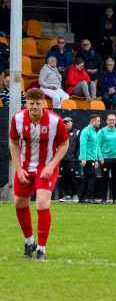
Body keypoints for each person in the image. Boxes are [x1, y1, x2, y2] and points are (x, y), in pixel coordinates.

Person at [9, 88, 69, 261]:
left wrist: (51, 165)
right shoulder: (18, 119)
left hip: (46, 167)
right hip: (25, 167)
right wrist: (18, 169)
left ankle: (41, 250)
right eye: (31, 103)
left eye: (38, 103)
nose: (34, 107)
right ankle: (29, 243)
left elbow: (64, 144)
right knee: (20, 203)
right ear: (26, 103)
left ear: (44, 103)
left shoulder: (55, 121)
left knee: (42, 203)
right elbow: (13, 143)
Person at [97, 112, 116, 204]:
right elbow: (97, 146)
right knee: (104, 179)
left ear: (115, 121)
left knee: (115, 179)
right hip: (105, 158)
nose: (112, 121)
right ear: (106, 121)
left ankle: (115, 199)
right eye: (110, 120)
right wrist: (100, 158)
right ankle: (104, 199)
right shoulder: (101, 132)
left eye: (113, 120)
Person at [78, 114, 101, 204]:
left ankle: (82, 198)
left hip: (91, 159)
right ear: (93, 121)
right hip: (86, 159)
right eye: (98, 121)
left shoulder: (94, 132)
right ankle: (90, 197)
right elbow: (83, 145)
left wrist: (95, 160)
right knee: (92, 176)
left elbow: (94, 147)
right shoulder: (86, 131)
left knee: (87, 178)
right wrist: (83, 158)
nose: (99, 123)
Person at [57, 117, 80, 203]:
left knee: (72, 177)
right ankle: (67, 195)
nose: (67, 124)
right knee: (64, 177)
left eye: (68, 122)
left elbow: (79, 145)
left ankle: (75, 194)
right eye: (65, 122)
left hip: (71, 159)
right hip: (62, 159)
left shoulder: (76, 133)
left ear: (72, 123)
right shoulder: (60, 133)